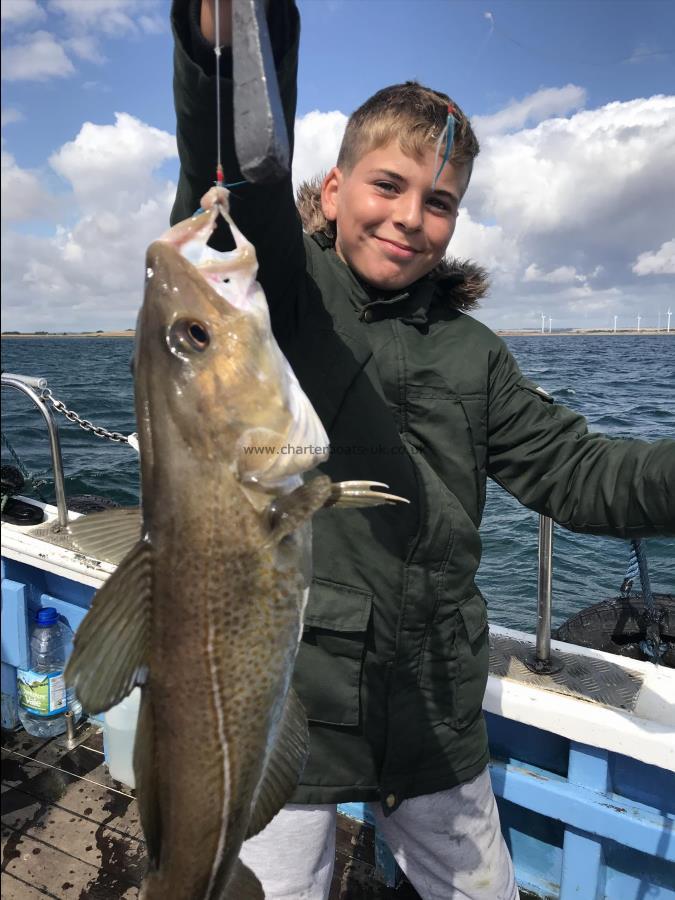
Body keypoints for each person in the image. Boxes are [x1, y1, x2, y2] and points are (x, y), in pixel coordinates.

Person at [170, 2, 675, 898]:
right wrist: (228, 45)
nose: (409, 217)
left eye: (438, 201)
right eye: (386, 186)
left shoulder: (473, 352)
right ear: (332, 192)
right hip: (297, 702)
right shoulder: (278, 294)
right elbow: (240, 177)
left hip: (437, 705)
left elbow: (584, 475)